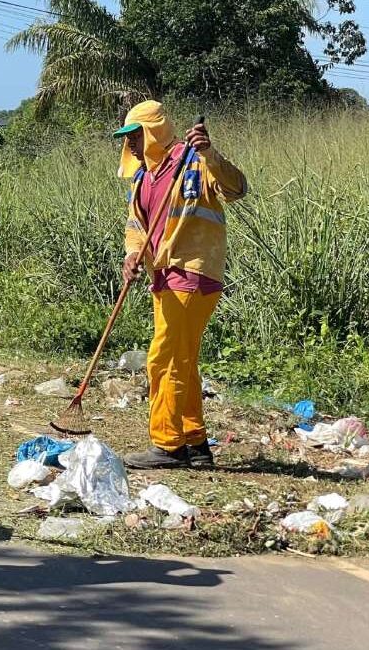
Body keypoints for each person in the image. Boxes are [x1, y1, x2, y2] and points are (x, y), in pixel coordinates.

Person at [114, 101, 247, 470]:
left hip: (193, 271)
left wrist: (210, 154)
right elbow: (136, 227)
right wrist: (133, 254)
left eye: (135, 136)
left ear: (153, 132)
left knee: (164, 358)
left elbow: (236, 188)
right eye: (127, 138)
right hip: (162, 275)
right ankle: (195, 442)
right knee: (182, 361)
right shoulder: (142, 177)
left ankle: (168, 444)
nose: (130, 144)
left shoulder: (193, 162)